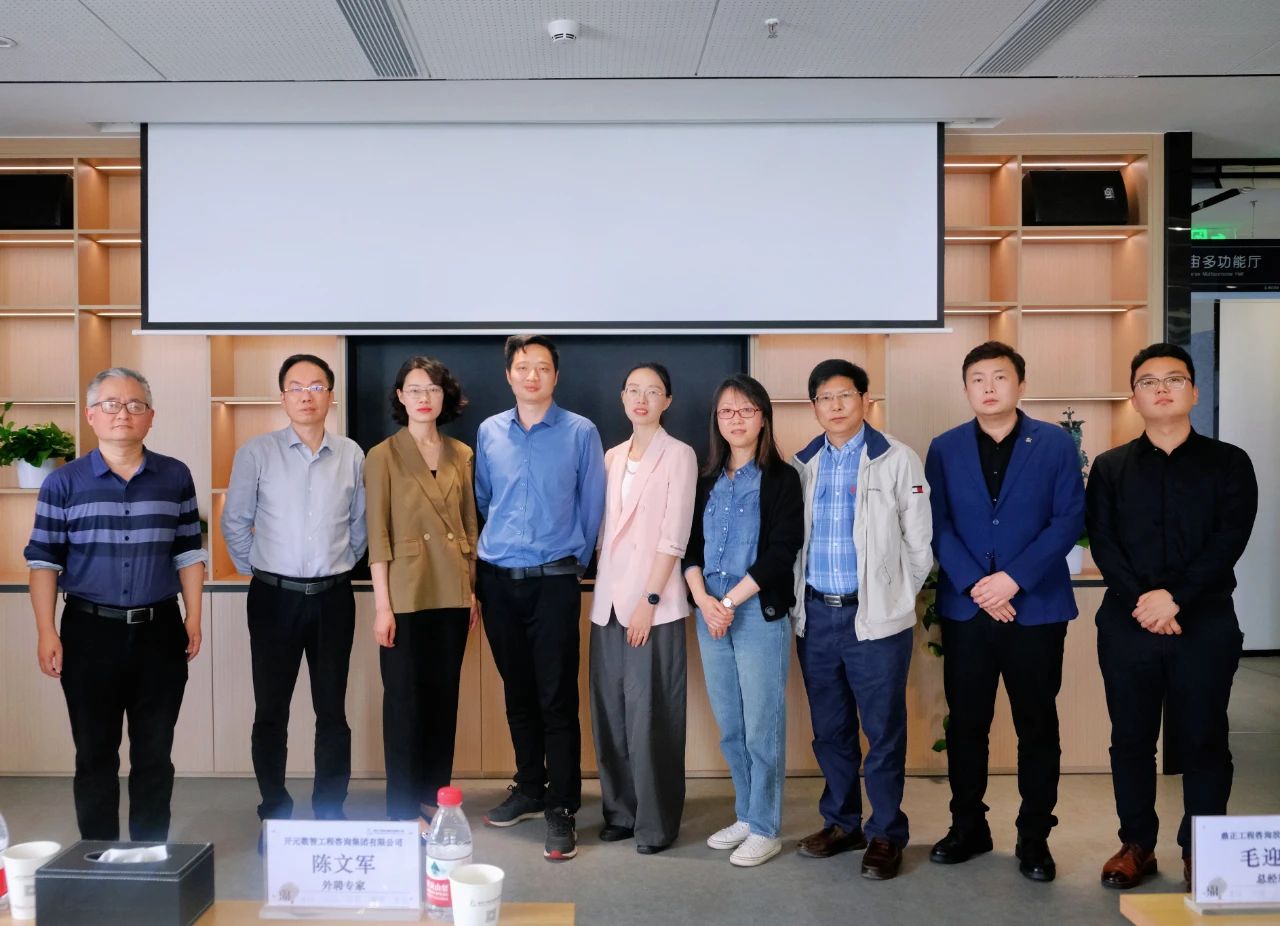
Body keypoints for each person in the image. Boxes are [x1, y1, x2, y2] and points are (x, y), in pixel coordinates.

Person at [1087, 343, 1257, 891]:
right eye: (1149, 381)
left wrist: (1175, 598)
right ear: (1134, 397)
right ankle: (1136, 845)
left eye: (1174, 379)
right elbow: (1104, 543)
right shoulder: (1110, 467)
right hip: (1128, 623)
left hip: (1204, 624)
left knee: (1204, 738)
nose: (1161, 388)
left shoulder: (1230, 463)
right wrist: (1146, 601)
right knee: (1131, 739)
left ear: (1194, 391)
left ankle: (1202, 850)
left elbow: (1229, 540)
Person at [924, 341, 1084, 883]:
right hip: (968, 611)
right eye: (977, 378)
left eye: (999, 377)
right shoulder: (945, 448)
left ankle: (1034, 837)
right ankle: (968, 826)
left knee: (1036, 725)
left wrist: (1013, 579)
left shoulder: (1055, 443)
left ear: (1020, 384)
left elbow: (1068, 519)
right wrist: (977, 584)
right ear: (966, 388)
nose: (988, 387)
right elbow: (937, 523)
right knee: (967, 724)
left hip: (1034, 608)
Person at [25, 367, 206, 841]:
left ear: (151, 416)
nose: (123, 413)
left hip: (159, 629)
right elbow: (43, 562)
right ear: (91, 415)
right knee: (93, 754)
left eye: (134, 405)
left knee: (154, 754)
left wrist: (194, 617)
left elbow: (189, 552)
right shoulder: (63, 483)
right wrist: (46, 630)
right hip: (89, 632)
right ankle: (96, 858)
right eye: (111, 404)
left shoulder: (175, 476)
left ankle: (149, 854)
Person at [789, 359, 933, 881]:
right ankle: (842, 823)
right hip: (816, 616)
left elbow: (920, 544)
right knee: (830, 730)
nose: (835, 406)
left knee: (883, 730)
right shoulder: (802, 464)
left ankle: (886, 831)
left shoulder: (896, 458)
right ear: (814, 407)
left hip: (874, 620)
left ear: (865, 399)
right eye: (824, 398)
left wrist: (894, 599)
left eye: (844, 395)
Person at [221, 354, 367, 833]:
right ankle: (275, 809)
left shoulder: (352, 454)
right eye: (296, 387)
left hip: (332, 598)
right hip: (273, 599)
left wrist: (336, 566)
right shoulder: (256, 453)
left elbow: (360, 527)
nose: (307, 396)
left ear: (331, 396)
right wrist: (264, 570)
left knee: (332, 710)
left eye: (317, 386)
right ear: (282, 396)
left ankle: (330, 809)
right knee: (271, 710)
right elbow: (235, 522)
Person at [474, 334, 606, 862]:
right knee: (518, 691)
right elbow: (485, 497)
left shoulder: (580, 432)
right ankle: (529, 786)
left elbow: (592, 507)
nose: (532, 376)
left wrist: (572, 565)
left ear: (556, 375)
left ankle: (563, 804)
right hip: (497, 580)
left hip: (554, 580)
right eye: (523, 367)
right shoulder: (489, 431)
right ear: (509, 374)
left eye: (543, 367)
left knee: (556, 696)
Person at [683, 374, 803, 868]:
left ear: (763, 418)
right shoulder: (705, 479)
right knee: (730, 726)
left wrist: (728, 602)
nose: (737, 419)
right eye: (727, 411)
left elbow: (781, 551)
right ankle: (746, 815)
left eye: (747, 410)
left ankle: (766, 828)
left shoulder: (781, 478)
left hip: (756, 613)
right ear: (717, 420)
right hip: (709, 614)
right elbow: (689, 548)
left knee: (761, 728)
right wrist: (703, 601)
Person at [364, 356, 479, 828]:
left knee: (443, 698)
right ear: (400, 397)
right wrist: (382, 607)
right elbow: (378, 534)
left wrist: (472, 592)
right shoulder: (382, 455)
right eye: (414, 389)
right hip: (405, 593)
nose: (424, 398)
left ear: (444, 396)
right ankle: (400, 806)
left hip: (452, 590)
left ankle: (434, 796)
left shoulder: (461, 453)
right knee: (404, 702)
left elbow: (469, 525)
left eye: (432, 389)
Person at [589, 362, 697, 856]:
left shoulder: (679, 455)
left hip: (653, 605)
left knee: (651, 714)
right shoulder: (611, 456)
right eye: (633, 390)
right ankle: (620, 812)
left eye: (652, 391)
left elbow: (674, 536)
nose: (641, 398)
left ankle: (656, 823)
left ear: (667, 401)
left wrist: (648, 601)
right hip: (607, 605)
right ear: (622, 397)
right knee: (611, 711)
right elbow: (603, 533)